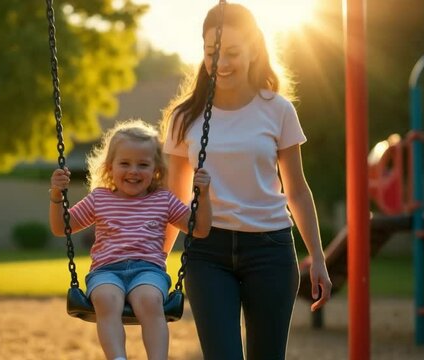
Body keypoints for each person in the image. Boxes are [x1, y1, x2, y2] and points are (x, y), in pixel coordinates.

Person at [161, 3, 332, 359]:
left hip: (270, 250)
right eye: (212, 53)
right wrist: (156, 261)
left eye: (232, 53)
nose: (221, 63)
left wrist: (317, 256)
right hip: (207, 252)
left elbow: (296, 189)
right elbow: (174, 197)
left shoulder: (278, 109)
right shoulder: (185, 117)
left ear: (254, 49)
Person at [49, 119, 212, 360]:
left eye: (143, 164)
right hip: (106, 271)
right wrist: (56, 196)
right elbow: (62, 227)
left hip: (148, 271)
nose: (133, 171)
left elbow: (199, 229)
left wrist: (204, 195)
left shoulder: (163, 200)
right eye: (124, 163)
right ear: (109, 168)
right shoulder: (100, 199)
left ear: (156, 169)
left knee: (149, 301)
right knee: (105, 300)